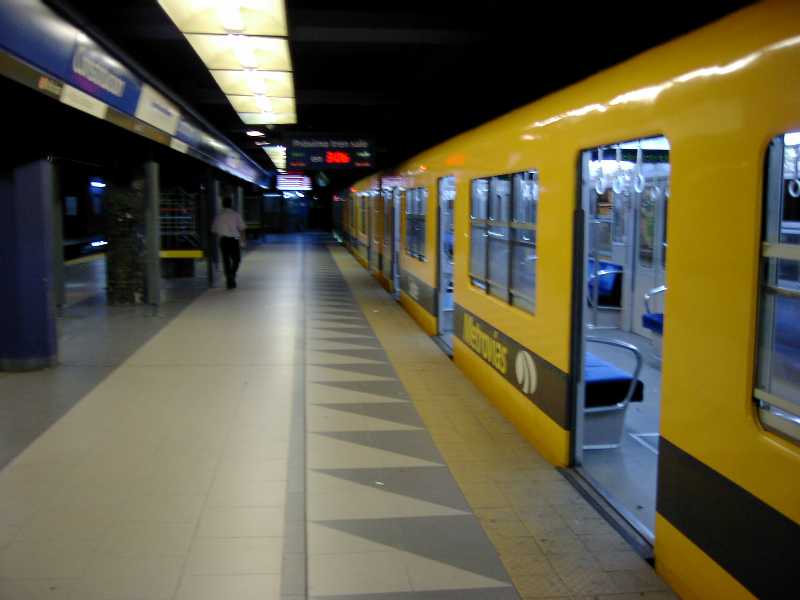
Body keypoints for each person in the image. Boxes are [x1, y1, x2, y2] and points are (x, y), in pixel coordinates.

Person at [212, 196, 246, 289]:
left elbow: (214, 230)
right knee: (237, 259)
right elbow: (242, 229)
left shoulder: (219, 216)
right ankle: (232, 274)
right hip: (234, 239)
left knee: (226, 260)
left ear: (222, 204)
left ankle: (229, 278)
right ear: (231, 204)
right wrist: (242, 241)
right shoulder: (236, 215)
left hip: (223, 240)